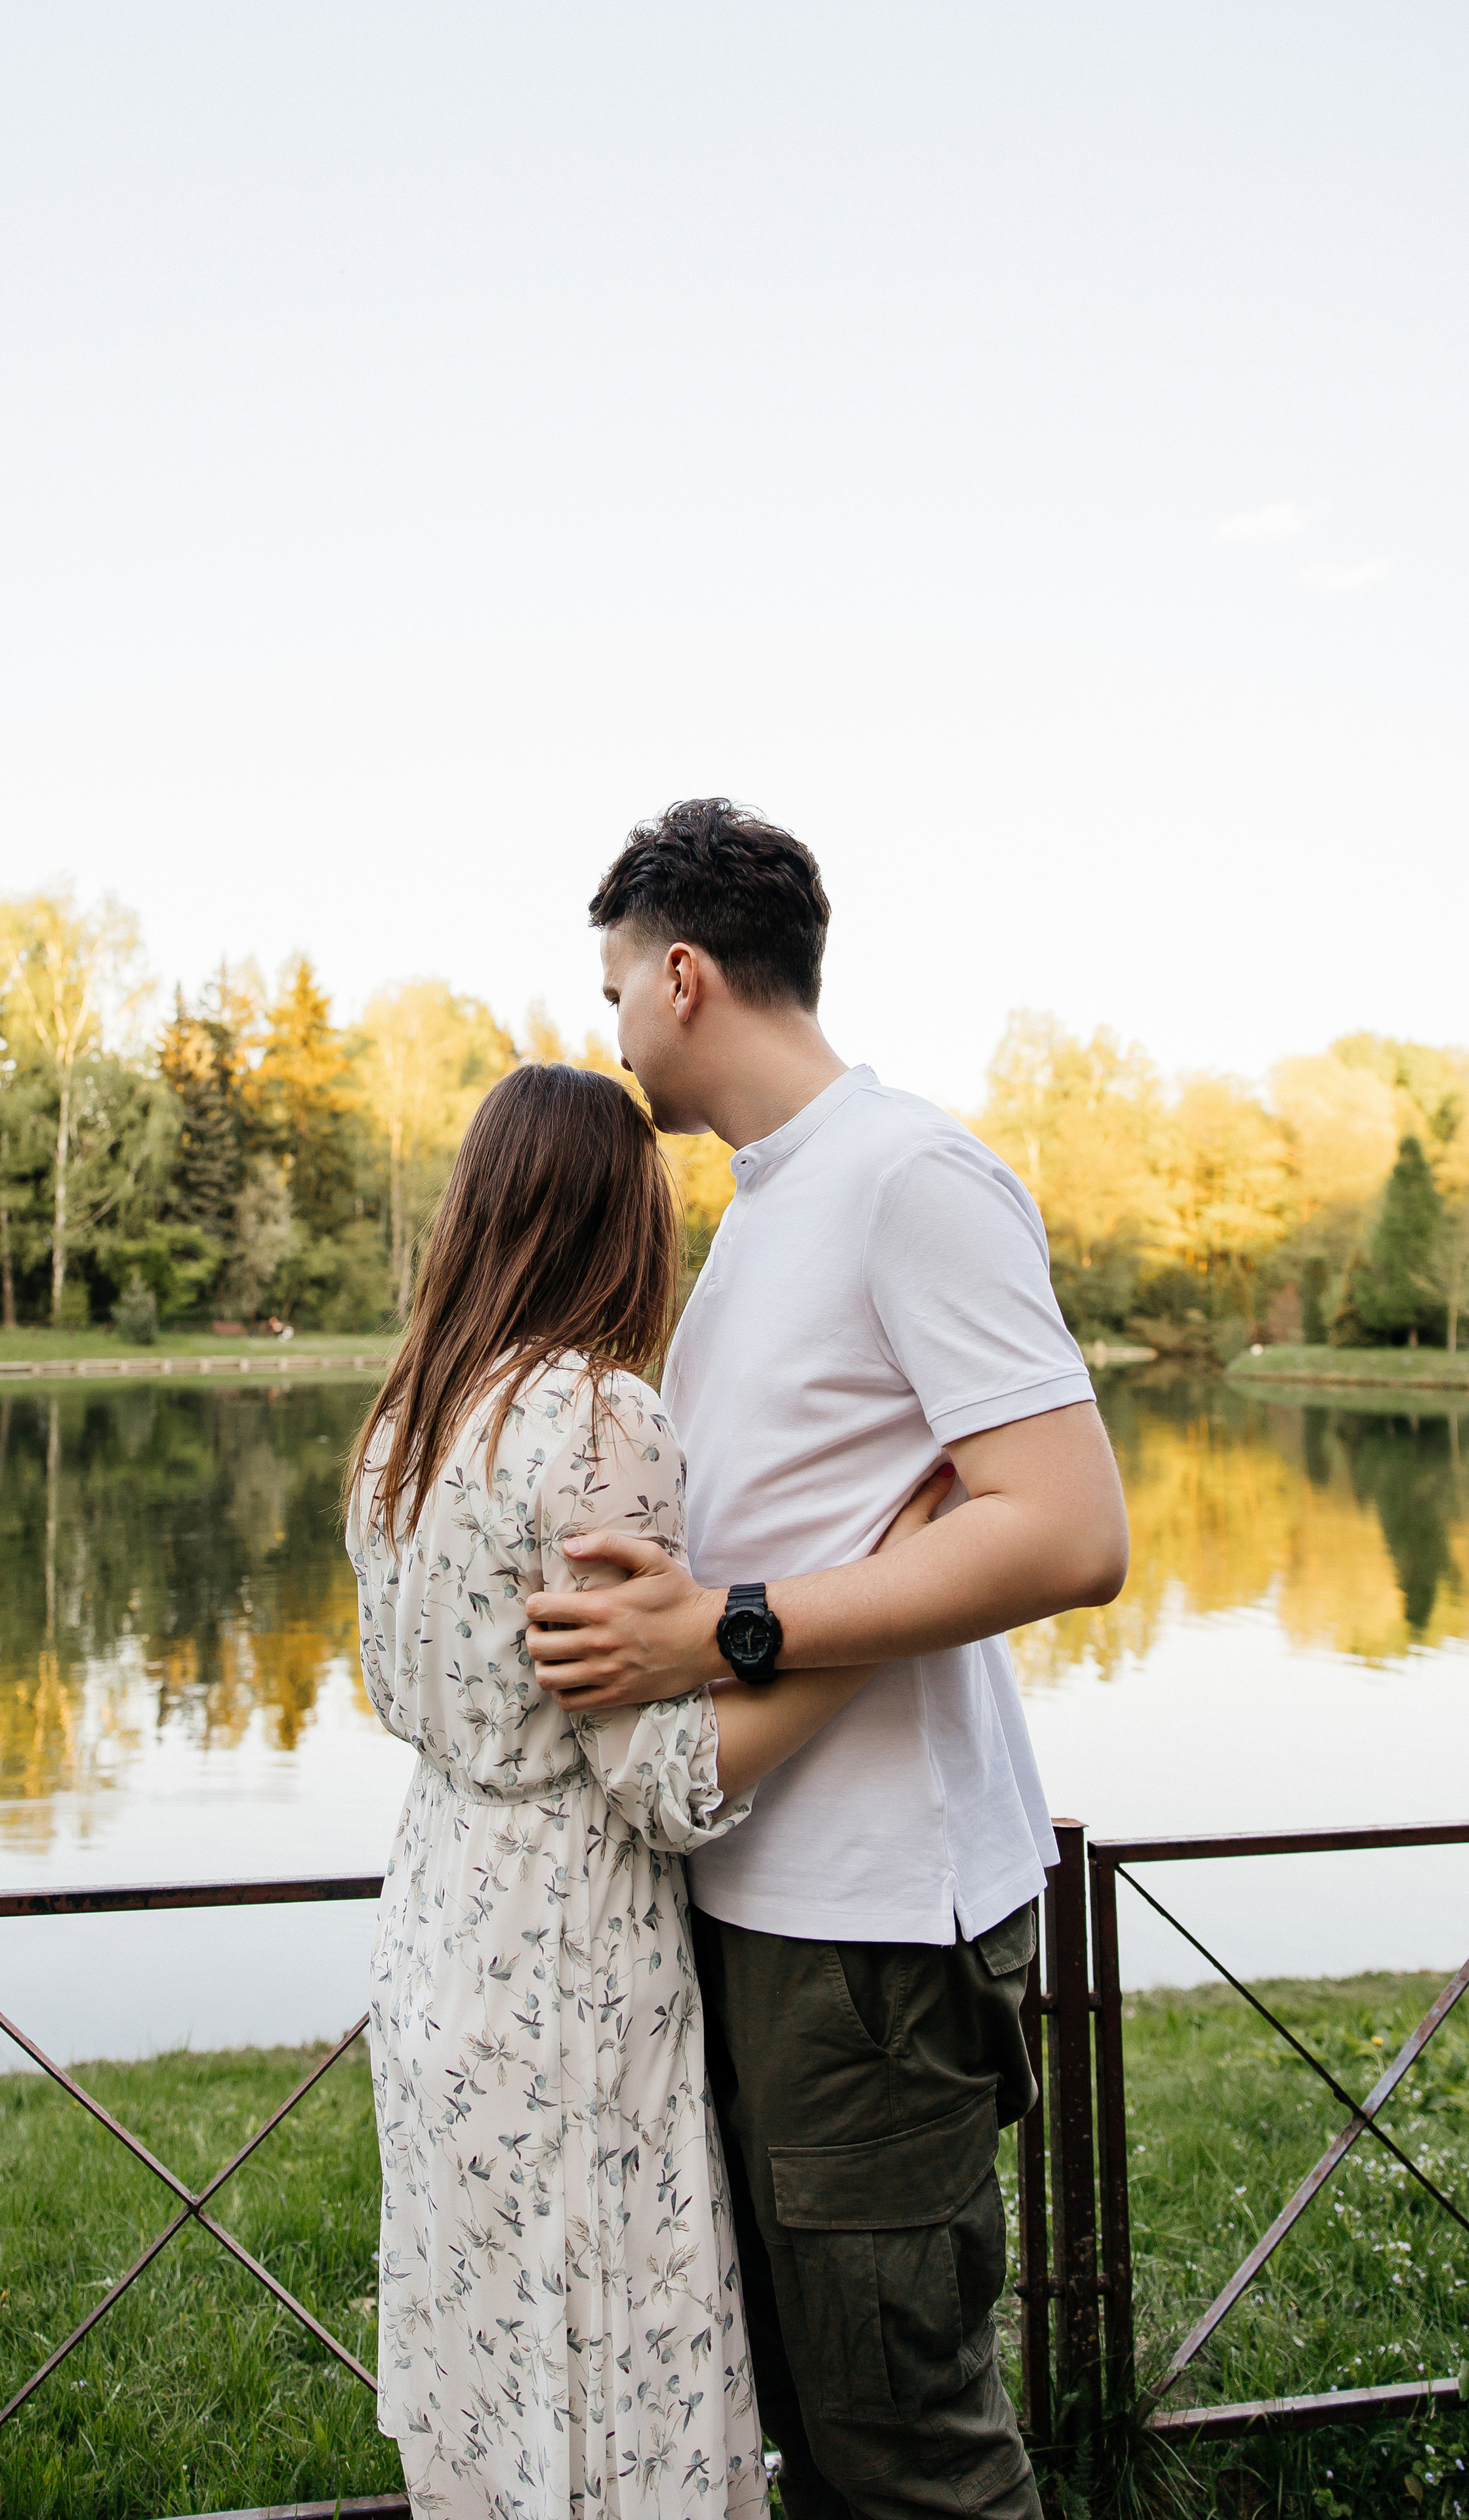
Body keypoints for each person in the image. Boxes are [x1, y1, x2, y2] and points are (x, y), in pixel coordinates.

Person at [525, 800, 1131, 2520]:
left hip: (875, 1939)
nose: (612, 1025)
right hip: (764, 1909)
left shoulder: (906, 1175)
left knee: (911, 2462)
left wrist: (720, 1624)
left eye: (616, 985)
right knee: (812, 2429)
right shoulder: (769, 1204)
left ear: (688, 976)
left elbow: (1070, 1533)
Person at [344, 1060, 950, 2520]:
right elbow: (662, 1781)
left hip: (436, 1932)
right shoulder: (599, 1421)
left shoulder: (410, 1420)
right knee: (608, 2365)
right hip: (567, 1961)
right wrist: (878, 1619)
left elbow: (402, 1691)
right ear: (623, 1220)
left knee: (498, 2369)